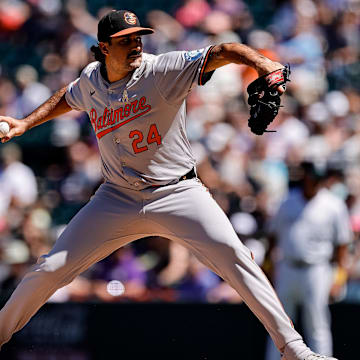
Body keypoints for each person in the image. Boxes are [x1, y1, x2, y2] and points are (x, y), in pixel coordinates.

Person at [0, 9, 337, 360]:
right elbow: (68, 97)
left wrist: (263, 64)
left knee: (237, 257)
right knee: (50, 268)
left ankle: (294, 349)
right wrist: (25, 123)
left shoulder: (162, 69)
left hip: (178, 192)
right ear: (103, 47)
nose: (135, 45)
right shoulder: (91, 80)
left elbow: (223, 51)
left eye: (137, 37)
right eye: (125, 40)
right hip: (117, 197)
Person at [265, 162, 352, 360]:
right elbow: (272, 236)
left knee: (317, 323)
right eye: (309, 178)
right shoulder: (287, 202)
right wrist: (269, 267)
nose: (312, 183)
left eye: (316, 180)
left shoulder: (333, 205)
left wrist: (338, 278)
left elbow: (342, 245)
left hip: (317, 270)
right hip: (287, 267)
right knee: (279, 323)